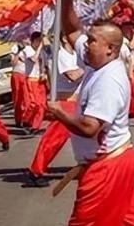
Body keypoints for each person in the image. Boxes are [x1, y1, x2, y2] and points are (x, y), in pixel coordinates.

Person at [47, 0, 134, 225]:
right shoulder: (94, 62)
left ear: (110, 48)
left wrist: (59, 113)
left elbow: (89, 128)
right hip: (115, 161)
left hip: (107, 166)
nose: (85, 44)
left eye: (92, 41)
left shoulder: (109, 80)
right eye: (88, 40)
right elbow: (72, 30)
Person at [25, 34, 87, 187]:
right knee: (53, 140)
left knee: (87, 137)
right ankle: (35, 171)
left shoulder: (75, 55)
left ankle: (89, 166)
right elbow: (72, 75)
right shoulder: (61, 54)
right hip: (66, 103)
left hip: (78, 102)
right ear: (65, 38)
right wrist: (88, 68)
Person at [20, 32, 47, 135]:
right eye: (38, 41)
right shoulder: (28, 49)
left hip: (40, 80)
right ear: (33, 41)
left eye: (40, 41)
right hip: (31, 80)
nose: (40, 43)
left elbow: (43, 64)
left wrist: (44, 73)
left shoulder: (42, 52)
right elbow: (33, 59)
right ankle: (26, 120)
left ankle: (35, 126)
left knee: (42, 105)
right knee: (34, 103)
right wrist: (40, 47)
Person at [10, 39, 28, 128]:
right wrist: (18, 52)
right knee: (18, 99)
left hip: (26, 76)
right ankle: (18, 119)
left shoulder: (29, 48)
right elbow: (13, 63)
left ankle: (26, 119)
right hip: (17, 75)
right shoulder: (15, 48)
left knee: (26, 99)